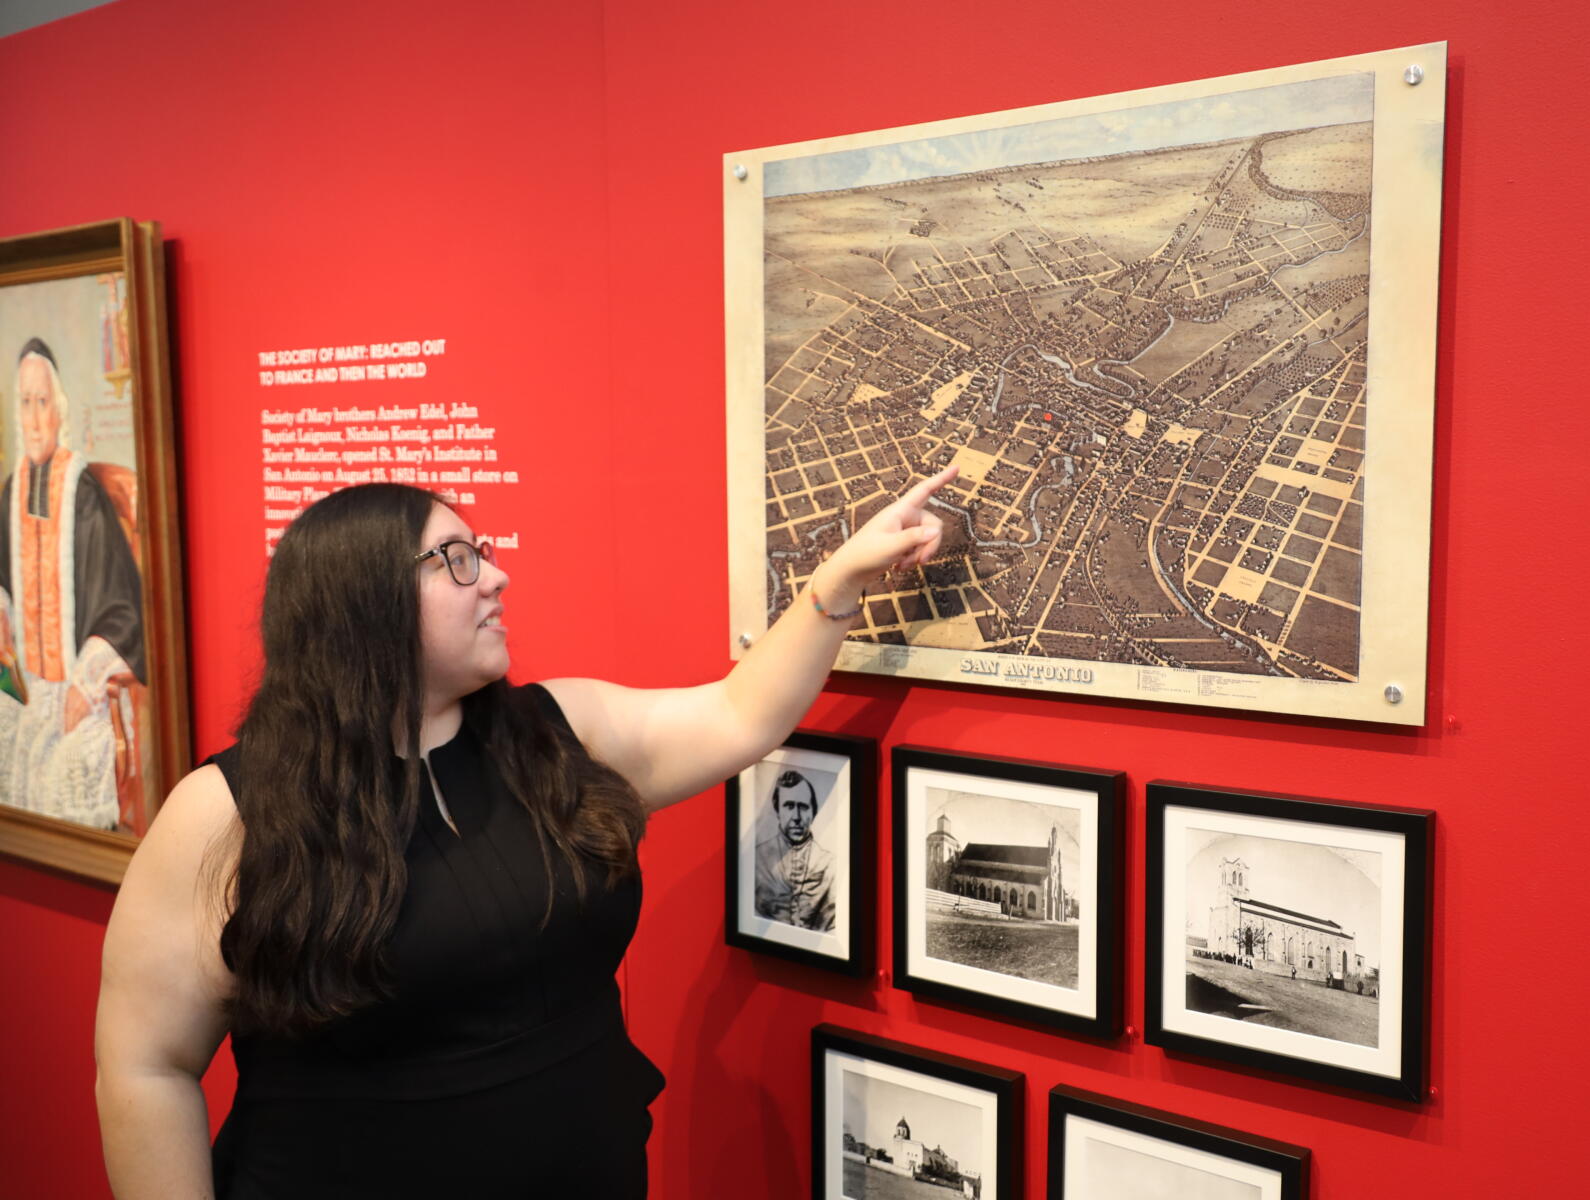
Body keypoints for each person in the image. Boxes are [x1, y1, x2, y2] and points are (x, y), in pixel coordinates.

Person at [94, 467, 953, 1198]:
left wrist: (835, 585)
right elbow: (146, 1067)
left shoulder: (556, 734)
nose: (495, 579)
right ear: (363, 602)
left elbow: (739, 715)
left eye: (486, 555)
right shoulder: (227, 813)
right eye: (456, 561)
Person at [0, 337, 146, 828]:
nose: (35, 417)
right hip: (22, 687)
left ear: (59, 411)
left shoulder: (82, 493)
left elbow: (122, 608)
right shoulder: (11, 489)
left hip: (76, 690)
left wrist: (84, 687)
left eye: (43, 402)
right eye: (25, 403)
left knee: (68, 766)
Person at [753, 768, 836, 930]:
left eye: (803, 807)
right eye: (789, 806)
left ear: (813, 812)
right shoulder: (757, 858)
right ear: (778, 810)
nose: (797, 817)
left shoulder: (830, 864)